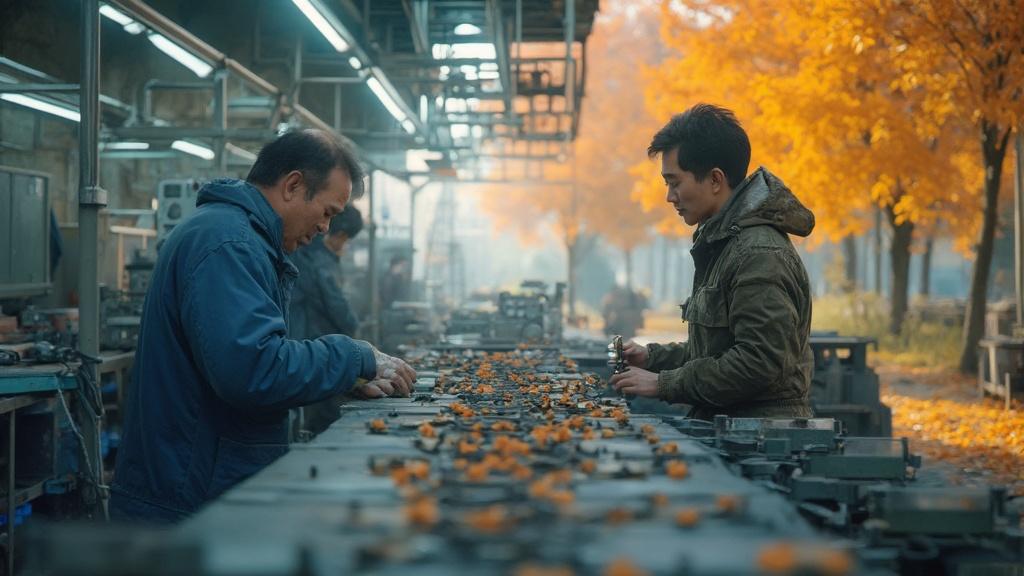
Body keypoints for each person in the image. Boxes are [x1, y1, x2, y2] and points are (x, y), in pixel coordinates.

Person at [111, 129, 416, 524]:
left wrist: (343, 378)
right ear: (293, 186)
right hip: (185, 500)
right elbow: (252, 370)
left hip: (200, 483)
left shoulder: (244, 239)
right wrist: (353, 356)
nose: (325, 228)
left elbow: (250, 350)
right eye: (326, 212)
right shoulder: (229, 245)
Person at [610, 104, 815, 420]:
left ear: (715, 180)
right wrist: (652, 358)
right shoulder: (725, 243)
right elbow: (714, 353)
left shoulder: (757, 254)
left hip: (759, 440)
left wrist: (664, 383)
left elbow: (758, 363)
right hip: (733, 428)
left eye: (675, 182)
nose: (669, 196)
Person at [289, 204, 364, 434]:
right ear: (340, 235)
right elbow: (335, 301)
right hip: (313, 341)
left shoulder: (306, 252)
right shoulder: (319, 259)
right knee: (324, 413)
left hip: (305, 342)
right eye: (346, 240)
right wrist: (354, 329)